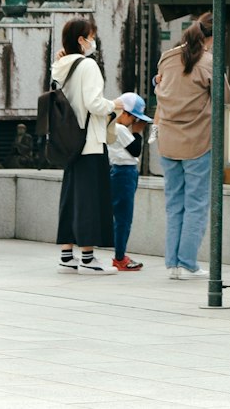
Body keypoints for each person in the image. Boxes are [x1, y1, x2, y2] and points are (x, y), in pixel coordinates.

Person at [154, 12, 230, 280]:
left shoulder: (167, 57)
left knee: (174, 204)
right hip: (198, 141)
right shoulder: (209, 61)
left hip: (168, 140)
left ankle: (173, 264)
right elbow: (226, 99)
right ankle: (187, 263)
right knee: (196, 204)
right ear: (209, 39)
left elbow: (159, 86)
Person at [52, 14, 121, 273]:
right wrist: (114, 104)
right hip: (89, 141)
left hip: (68, 141)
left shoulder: (60, 65)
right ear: (81, 40)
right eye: (92, 37)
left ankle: (67, 256)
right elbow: (94, 103)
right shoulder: (88, 65)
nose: (94, 42)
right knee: (90, 200)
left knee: (71, 198)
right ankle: (89, 258)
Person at [108, 91, 152, 272]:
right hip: (123, 173)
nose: (135, 122)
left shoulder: (112, 127)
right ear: (123, 113)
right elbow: (135, 150)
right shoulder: (119, 129)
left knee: (121, 217)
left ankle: (120, 255)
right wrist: (138, 132)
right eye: (134, 118)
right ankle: (120, 257)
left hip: (119, 172)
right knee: (124, 218)